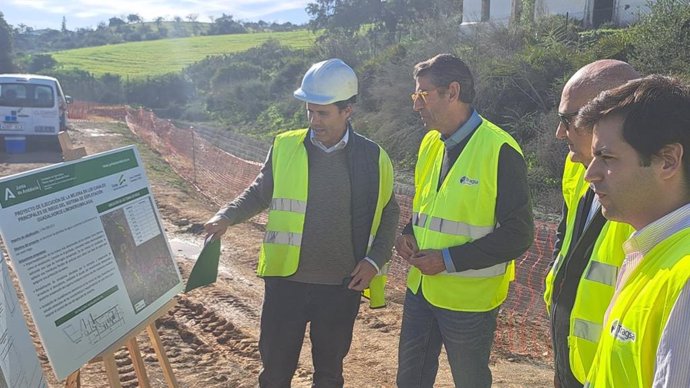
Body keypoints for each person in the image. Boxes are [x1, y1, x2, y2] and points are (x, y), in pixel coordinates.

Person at [204, 58, 400, 388]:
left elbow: (389, 212)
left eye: (323, 113)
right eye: (309, 111)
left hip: (341, 286)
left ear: (347, 110)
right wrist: (227, 215)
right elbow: (259, 193)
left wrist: (374, 260)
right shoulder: (285, 146)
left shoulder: (373, 157)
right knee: (275, 373)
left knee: (328, 375)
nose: (313, 120)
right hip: (286, 282)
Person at [395, 53, 534, 388]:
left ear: (452, 92)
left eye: (422, 95)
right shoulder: (430, 143)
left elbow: (519, 235)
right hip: (421, 290)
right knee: (410, 380)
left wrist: (447, 260)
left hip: (469, 302)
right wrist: (408, 231)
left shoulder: (500, 149)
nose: (416, 106)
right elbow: (429, 205)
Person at [578, 75, 690, 387]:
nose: (590, 174)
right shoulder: (651, 249)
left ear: (667, 161)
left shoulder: (684, 275)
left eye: (607, 157)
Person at [543, 60, 639, 388]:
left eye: (568, 120)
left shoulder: (654, 191)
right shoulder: (576, 168)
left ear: (608, 116)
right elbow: (565, 237)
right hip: (570, 356)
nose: (560, 133)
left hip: (613, 373)